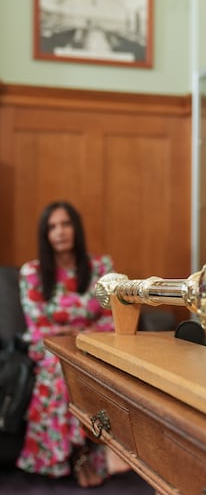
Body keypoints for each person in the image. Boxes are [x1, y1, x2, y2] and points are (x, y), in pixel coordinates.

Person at [15, 201, 122, 488]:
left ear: (76, 228)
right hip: (49, 347)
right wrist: (80, 328)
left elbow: (111, 319)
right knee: (61, 366)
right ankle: (79, 454)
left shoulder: (101, 267)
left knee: (83, 364)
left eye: (65, 224)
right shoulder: (32, 273)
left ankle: (83, 453)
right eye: (52, 227)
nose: (60, 232)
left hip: (91, 345)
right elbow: (37, 324)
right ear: (45, 235)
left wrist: (76, 331)